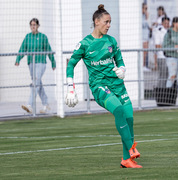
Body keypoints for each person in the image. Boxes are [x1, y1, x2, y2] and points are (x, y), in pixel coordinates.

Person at [65, 4, 142, 168]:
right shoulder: (85, 44)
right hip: (100, 87)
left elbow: (120, 61)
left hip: (117, 84)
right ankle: (131, 148)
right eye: (106, 22)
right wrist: (71, 88)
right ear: (96, 21)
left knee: (129, 118)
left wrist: (122, 70)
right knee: (119, 110)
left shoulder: (111, 41)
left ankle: (126, 160)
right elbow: (70, 65)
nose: (109, 25)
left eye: (110, 22)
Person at [15, 18, 56, 114]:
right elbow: (22, 49)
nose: (33, 27)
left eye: (34, 25)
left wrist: (53, 62)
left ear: (38, 26)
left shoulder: (43, 37)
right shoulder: (28, 37)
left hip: (41, 62)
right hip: (31, 63)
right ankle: (46, 104)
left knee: (36, 81)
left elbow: (49, 50)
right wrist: (18, 59)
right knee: (38, 83)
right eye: (31, 25)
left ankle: (29, 105)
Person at [163, 17, 178, 89]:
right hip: (171, 57)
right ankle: (167, 93)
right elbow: (164, 46)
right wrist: (174, 47)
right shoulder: (169, 33)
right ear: (174, 24)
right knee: (172, 75)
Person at [153, 17, 170, 87]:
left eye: (168, 23)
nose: (167, 25)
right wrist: (167, 47)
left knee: (168, 76)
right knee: (162, 76)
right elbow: (157, 45)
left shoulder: (170, 31)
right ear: (162, 23)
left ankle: (166, 92)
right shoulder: (158, 31)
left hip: (169, 57)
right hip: (162, 56)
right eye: (165, 23)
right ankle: (160, 91)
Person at [142, 2, 151, 72]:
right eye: (145, 8)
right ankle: (142, 65)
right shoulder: (140, 17)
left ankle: (144, 65)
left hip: (146, 36)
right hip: (142, 38)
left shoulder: (146, 17)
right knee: (143, 52)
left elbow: (149, 26)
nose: (146, 10)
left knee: (146, 52)